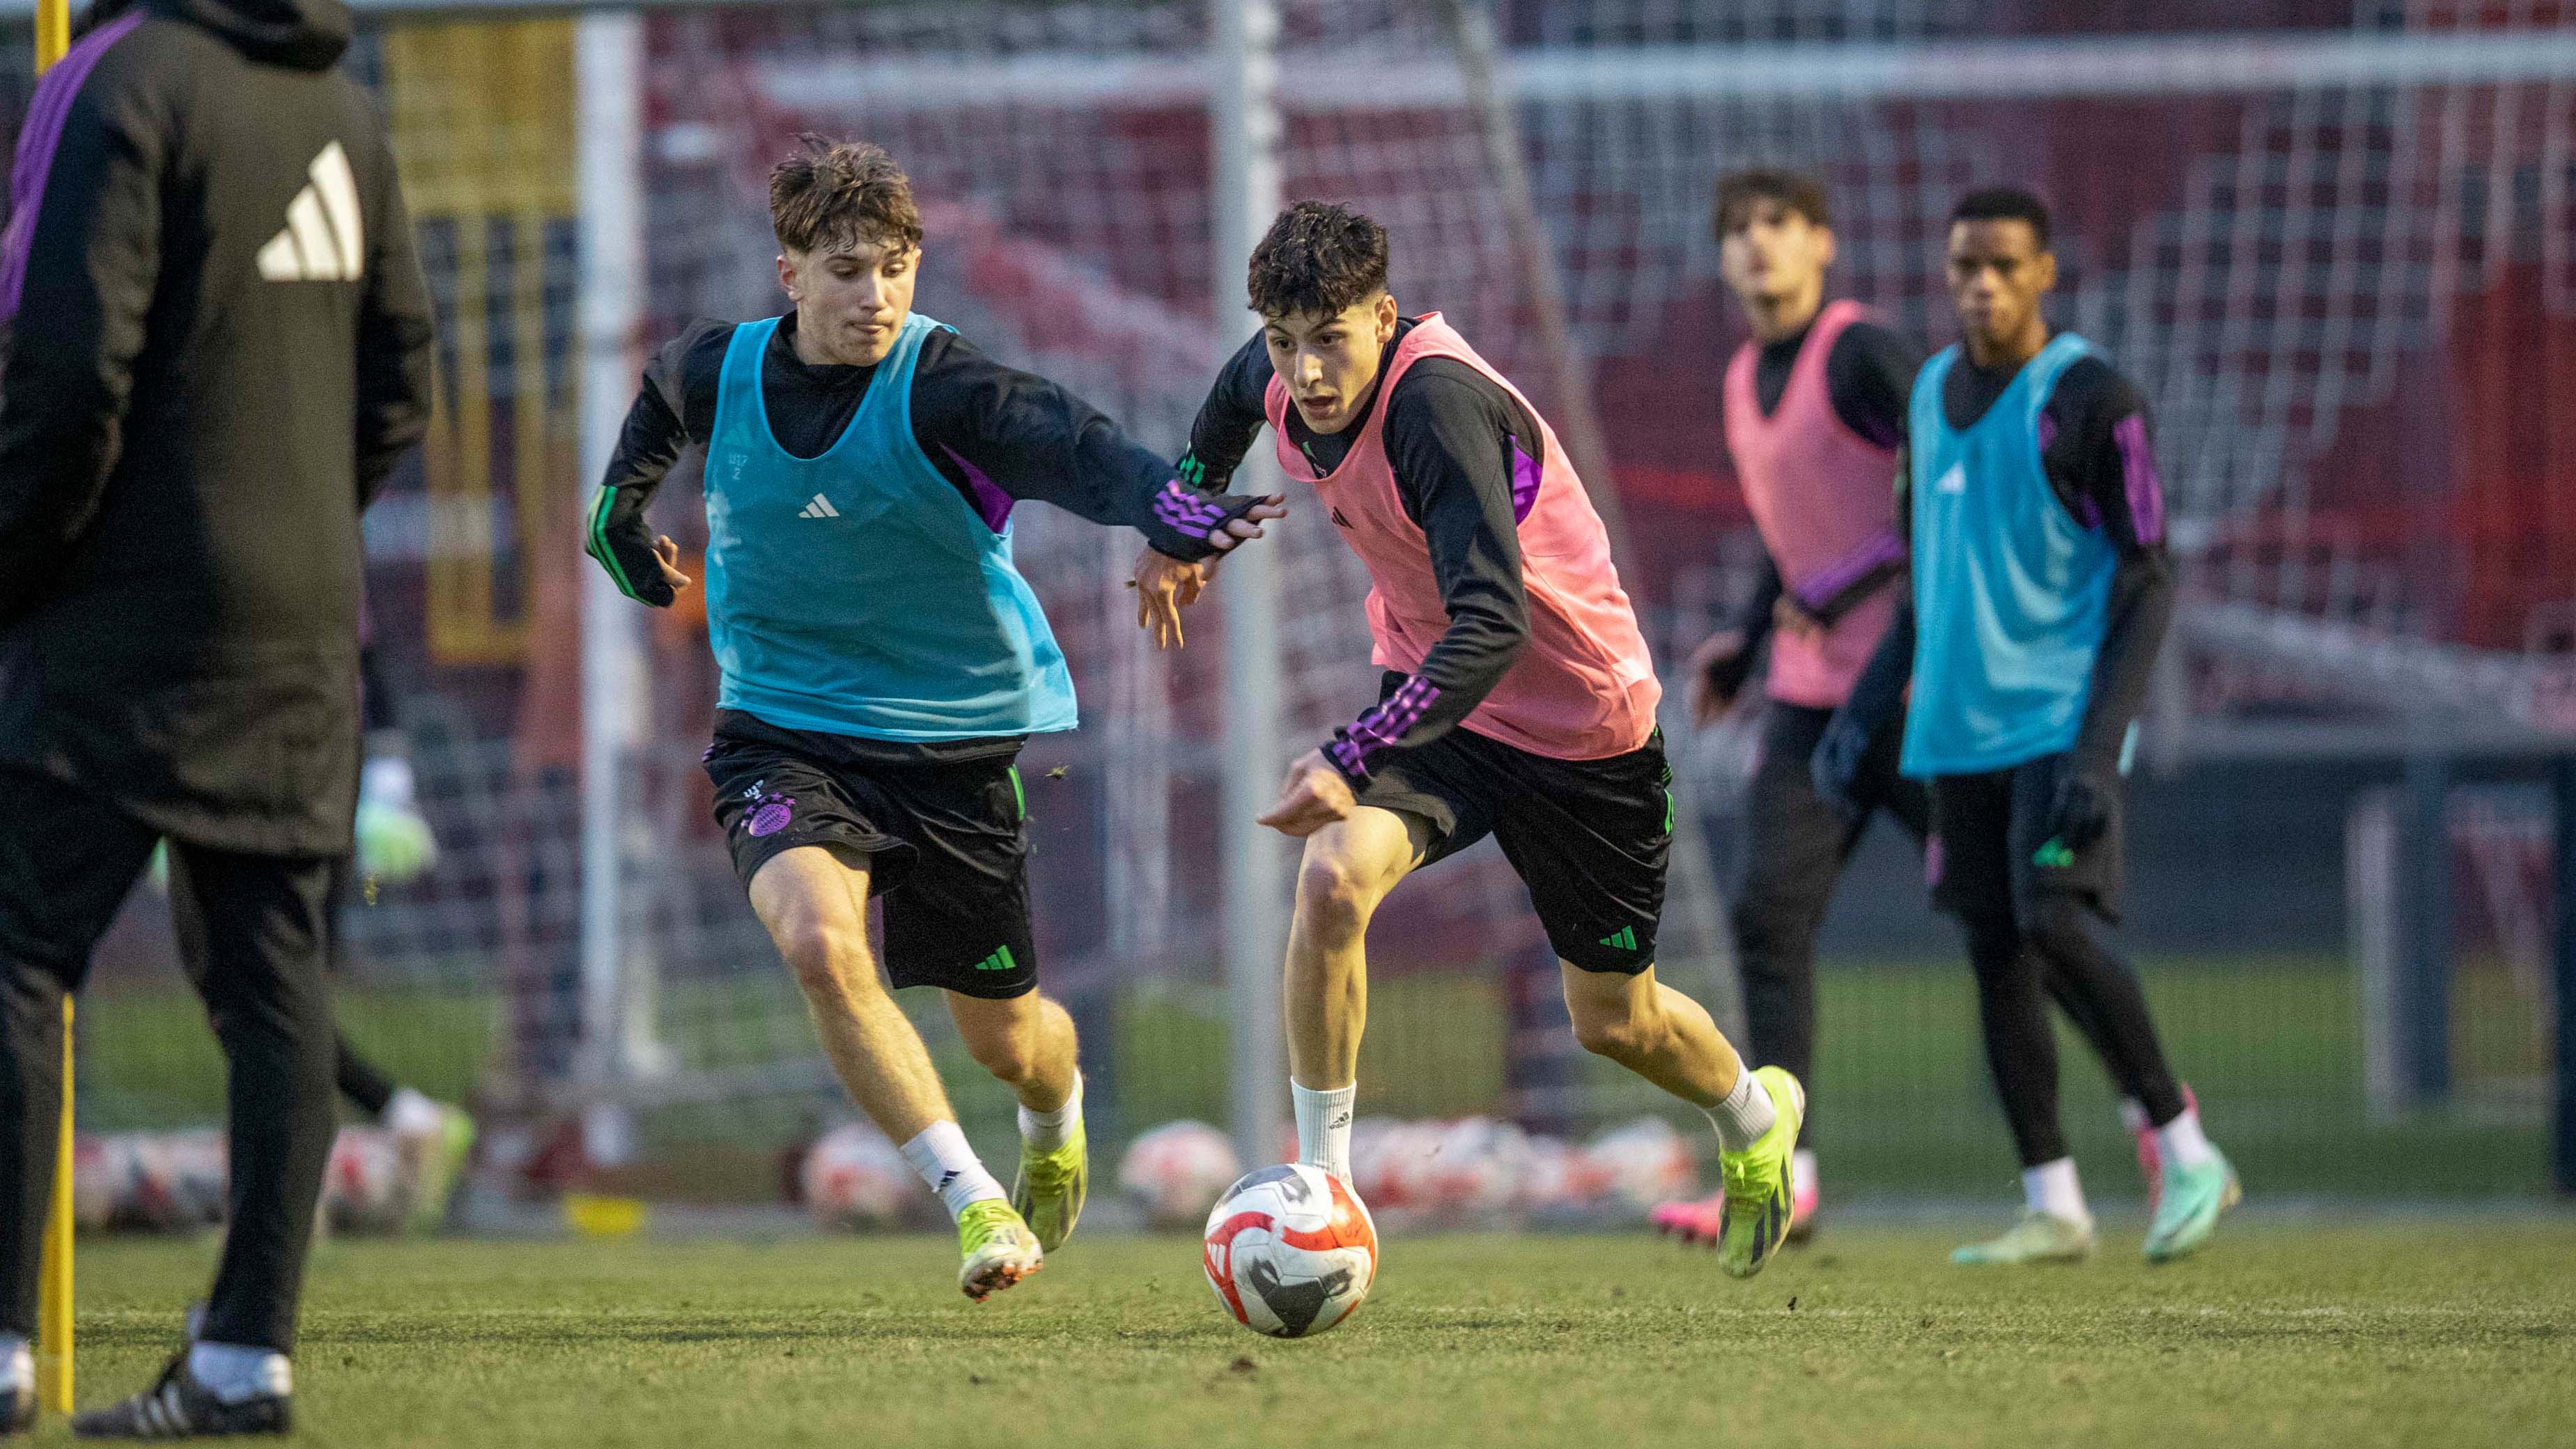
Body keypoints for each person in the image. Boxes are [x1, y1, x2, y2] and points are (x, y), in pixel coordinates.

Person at [584, 138, 1279, 1303]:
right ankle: (973, 1204)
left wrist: (1174, 505)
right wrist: (619, 516)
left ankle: (1052, 1121)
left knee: (1009, 1041)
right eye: (848, 270)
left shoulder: (948, 386)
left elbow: (1073, 446)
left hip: (952, 752)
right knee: (818, 942)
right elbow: (658, 393)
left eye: (897, 267)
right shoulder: (720, 369)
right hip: (781, 731)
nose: (877, 297)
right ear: (789, 272)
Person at [1154, 200, 1803, 1280]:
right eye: (1285, 342)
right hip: (1438, 698)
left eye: (1331, 340)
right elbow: (1223, 415)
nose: (1306, 372)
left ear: (1385, 316)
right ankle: (1329, 1199)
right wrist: (1183, 526)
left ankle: (1751, 1115)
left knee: (1614, 1021)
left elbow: (1494, 625)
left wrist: (1350, 755)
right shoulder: (1275, 371)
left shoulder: (1438, 407)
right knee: (1329, 882)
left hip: (1578, 726)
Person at [0, 0, 435, 1434]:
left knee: (17, 945)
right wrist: (294, 521)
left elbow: (66, 371)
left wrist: (21, 557)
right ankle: (248, 1354)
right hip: (308, 618)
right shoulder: (345, 109)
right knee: (272, 979)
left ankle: (2, 1344)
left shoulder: (118, 81)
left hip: (127, 610)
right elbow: (402, 381)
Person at [1815, 187, 2237, 1265]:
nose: (1980, 286)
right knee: (1993, 950)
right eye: (1964, 267)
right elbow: (1926, 577)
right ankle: (2053, 1201)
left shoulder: (2092, 398)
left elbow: (2148, 576)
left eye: (2003, 266)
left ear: (2046, 271)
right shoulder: (1926, 398)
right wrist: (1867, 711)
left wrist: (2100, 748)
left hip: (2056, 723)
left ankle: (2184, 1148)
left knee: (2053, 920)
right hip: (1953, 734)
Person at [1647, 171, 1927, 1248]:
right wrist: (1749, 639)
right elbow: (1790, 533)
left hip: (1916, 689)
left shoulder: (1858, 354)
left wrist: (1856, 584)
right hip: (1811, 703)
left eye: (1776, 226)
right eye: (1737, 231)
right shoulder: (1738, 379)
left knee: (2018, 921)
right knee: (1768, 917)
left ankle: (2164, 1131)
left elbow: (1945, 472)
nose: (1756, 246)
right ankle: (1786, 1175)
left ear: (1823, 242)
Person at [160, 631, 475, 1235]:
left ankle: (292, 1193)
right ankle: (394, 1125)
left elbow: (364, 657)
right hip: (249, 765)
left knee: (273, 992)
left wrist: (386, 785)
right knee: (257, 991)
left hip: (288, 771)